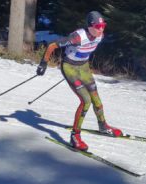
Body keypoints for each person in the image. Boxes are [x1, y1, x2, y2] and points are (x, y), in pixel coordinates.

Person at [36, 11, 122, 151]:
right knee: (86, 101)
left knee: (97, 100)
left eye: (103, 25)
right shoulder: (77, 37)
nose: (101, 29)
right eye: (98, 25)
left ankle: (103, 126)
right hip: (70, 68)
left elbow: (86, 50)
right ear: (89, 26)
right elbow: (52, 45)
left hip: (84, 68)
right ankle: (75, 136)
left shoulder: (100, 36)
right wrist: (43, 63)